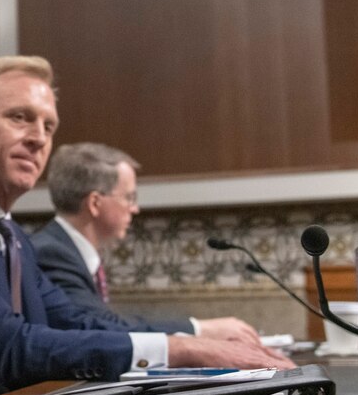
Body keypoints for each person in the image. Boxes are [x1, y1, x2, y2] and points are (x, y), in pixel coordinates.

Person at [0, 55, 293, 395]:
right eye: (20, 117)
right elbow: (10, 348)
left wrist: (197, 338)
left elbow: (85, 322)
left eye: (48, 126)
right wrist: (182, 351)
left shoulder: (13, 237)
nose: (39, 139)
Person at [32, 142, 263, 339]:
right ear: (95, 203)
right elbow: (101, 329)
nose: (135, 208)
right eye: (129, 197)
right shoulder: (52, 254)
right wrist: (199, 330)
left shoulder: (66, 250)